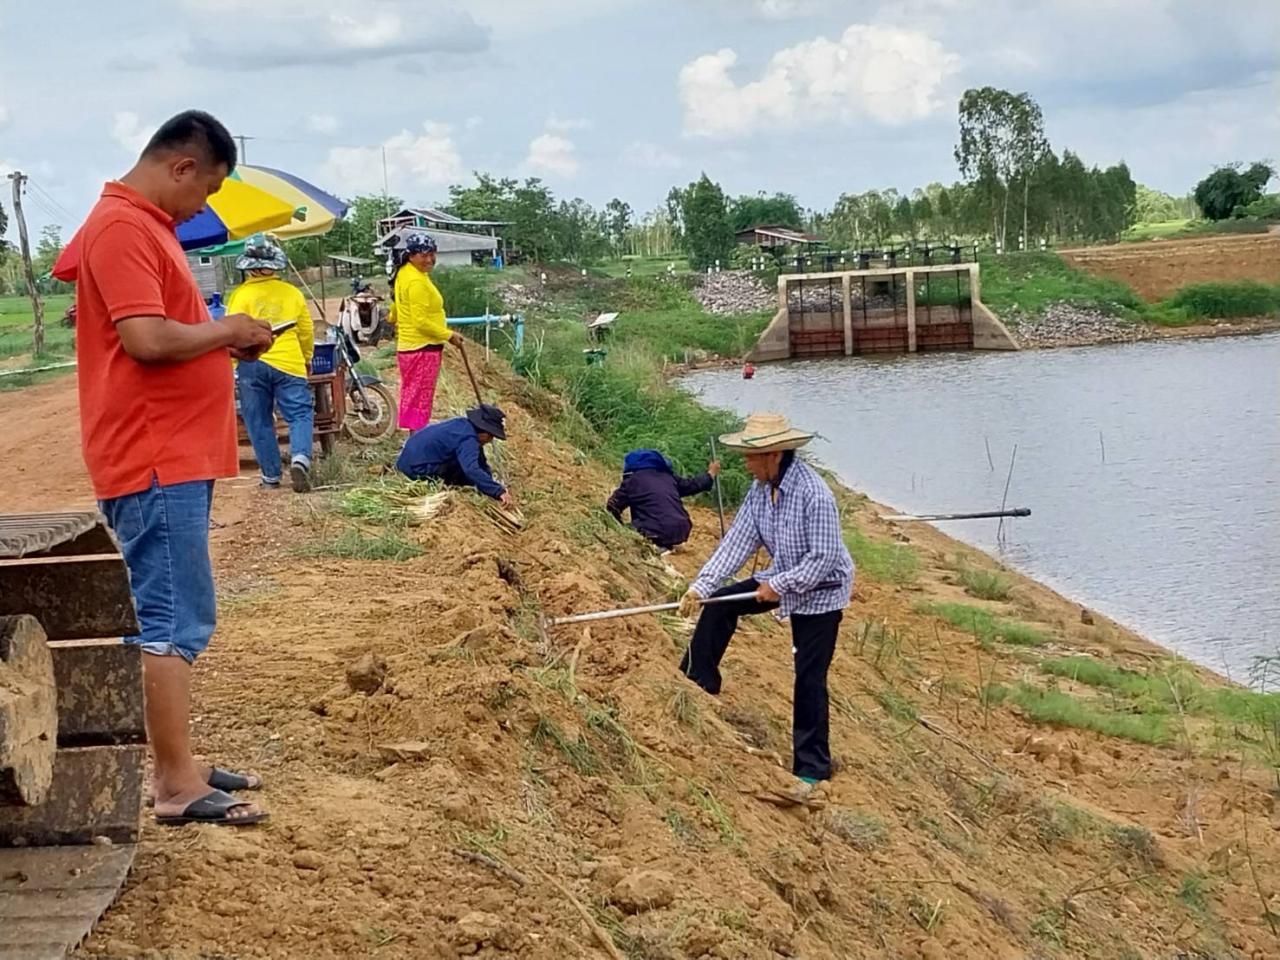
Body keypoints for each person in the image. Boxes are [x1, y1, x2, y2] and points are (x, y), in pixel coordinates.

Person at [75, 109, 273, 826]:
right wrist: (229, 329)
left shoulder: (138, 226)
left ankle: (178, 759)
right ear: (183, 166)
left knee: (177, 608)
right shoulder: (126, 227)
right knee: (169, 615)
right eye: (211, 188)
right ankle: (174, 786)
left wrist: (220, 341)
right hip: (154, 453)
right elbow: (148, 340)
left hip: (168, 452)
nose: (207, 205)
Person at [677, 412, 854, 798]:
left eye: (751, 456)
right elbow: (737, 543)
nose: (746, 462)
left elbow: (824, 558)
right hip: (782, 575)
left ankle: (812, 769)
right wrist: (700, 587)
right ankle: (696, 680)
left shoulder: (814, 494)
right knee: (720, 604)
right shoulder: (760, 491)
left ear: (775, 455)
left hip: (821, 590)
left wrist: (781, 585)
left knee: (809, 676)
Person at [225, 233, 315, 492]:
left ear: (248, 267)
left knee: (258, 419)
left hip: (252, 363)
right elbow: (306, 330)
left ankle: (271, 477)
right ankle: (300, 458)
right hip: (288, 361)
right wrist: (307, 358)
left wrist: (233, 369)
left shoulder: (240, 296)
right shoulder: (292, 293)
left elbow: (232, 335)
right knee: (299, 413)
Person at [387, 233, 463, 430]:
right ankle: (417, 444)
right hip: (421, 348)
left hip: (411, 347)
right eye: (423, 255)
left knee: (414, 395)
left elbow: (398, 301)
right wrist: (449, 335)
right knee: (420, 399)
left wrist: (394, 316)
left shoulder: (406, 272)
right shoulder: (416, 282)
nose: (429, 259)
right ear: (411, 255)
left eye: (432, 254)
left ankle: (415, 440)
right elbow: (420, 321)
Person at [395, 403, 513, 507]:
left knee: (468, 466)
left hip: (407, 460)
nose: (490, 440)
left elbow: (480, 460)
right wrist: (498, 491)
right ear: (484, 433)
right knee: (463, 471)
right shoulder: (468, 440)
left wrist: (490, 482)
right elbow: (472, 469)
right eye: (491, 436)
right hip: (415, 469)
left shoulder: (463, 425)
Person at [606, 449, 720, 551]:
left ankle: (659, 546)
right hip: (680, 529)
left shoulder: (633, 480)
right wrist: (710, 473)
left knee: (631, 531)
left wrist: (618, 527)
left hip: (653, 531)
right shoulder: (669, 477)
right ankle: (668, 544)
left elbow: (613, 506)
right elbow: (692, 485)